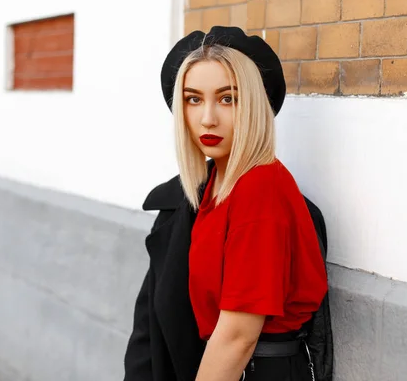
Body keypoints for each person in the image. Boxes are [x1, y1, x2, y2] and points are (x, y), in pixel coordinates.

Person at [123, 26, 329, 381]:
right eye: (193, 99)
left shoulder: (259, 187)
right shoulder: (214, 187)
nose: (208, 118)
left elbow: (237, 337)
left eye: (227, 98)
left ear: (253, 106)